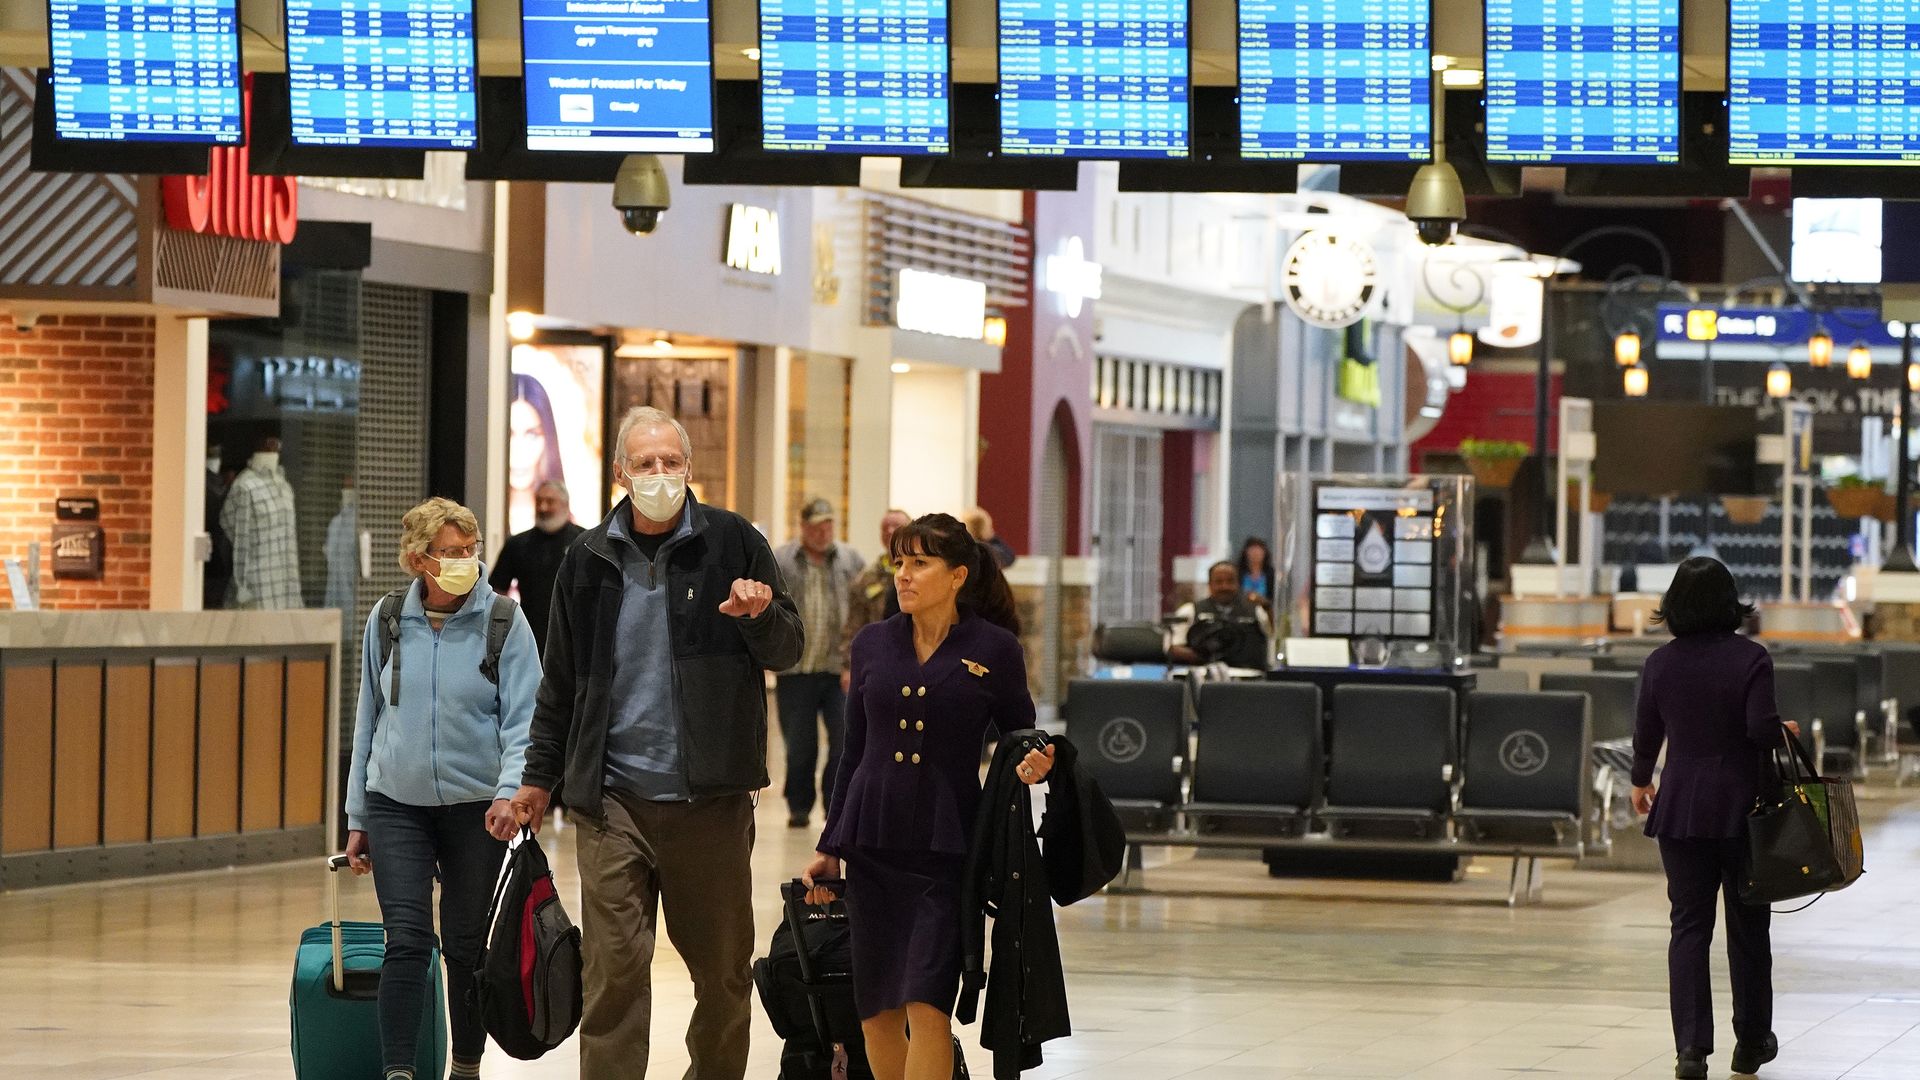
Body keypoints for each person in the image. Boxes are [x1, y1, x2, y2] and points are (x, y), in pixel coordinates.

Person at [510, 406, 803, 1080]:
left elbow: (790, 649)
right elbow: (559, 685)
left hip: (712, 803)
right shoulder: (585, 560)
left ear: (689, 468)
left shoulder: (732, 541)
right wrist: (536, 777)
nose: (660, 475)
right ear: (621, 473)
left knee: (725, 978)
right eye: (646, 464)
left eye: (672, 462)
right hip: (613, 804)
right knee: (611, 975)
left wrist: (760, 617)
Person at [800, 513, 1055, 1080]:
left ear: (958, 575)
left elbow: (1021, 735)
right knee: (876, 1014)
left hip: (946, 851)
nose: (903, 576)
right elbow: (853, 751)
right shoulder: (871, 644)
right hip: (872, 844)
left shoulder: (995, 647)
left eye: (920, 563)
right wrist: (830, 844)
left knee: (928, 1005)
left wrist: (1041, 761)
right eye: (899, 563)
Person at [343, 497, 539, 1080]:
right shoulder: (386, 620)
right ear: (417, 560)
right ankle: (399, 1070)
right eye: (449, 553)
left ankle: (466, 1067)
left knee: (465, 943)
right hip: (395, 805)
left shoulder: (503, 620)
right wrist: (358, 816)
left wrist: (509, 792)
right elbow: (367, 719)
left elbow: (524, 719)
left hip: (477, 809)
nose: (464, 563)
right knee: (405, 939)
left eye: (470, 551)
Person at [1630, 556, 1796, 1080]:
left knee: (1689, 927)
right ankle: (1750, 1043)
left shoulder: (1660, 663)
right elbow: (1759, 729)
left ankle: (1690, 1051)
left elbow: (1646, 732)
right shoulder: (1752, 658)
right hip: (1747, 810)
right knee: (1749, 927)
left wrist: (1641, 781)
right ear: (1731, 604)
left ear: (1674, 605)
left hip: (1679, 808)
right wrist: (1785, 728)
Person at [772, 497, 865, 829]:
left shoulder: (851, 560)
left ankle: (834, 808)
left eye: (828, 525)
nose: (823, 532)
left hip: (838, 669)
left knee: (843, 744)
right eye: (816, 525)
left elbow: (862, 612)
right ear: (803, 527)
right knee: (800, 746)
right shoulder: (782, 560)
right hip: (795, 669)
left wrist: (855, 663)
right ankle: (799, 806)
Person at [487, 479, 586, 656]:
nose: (543, 508)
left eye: (550, 501)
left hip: (574, 637)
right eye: (539, 501)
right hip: (528, 636)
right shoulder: (517, 544)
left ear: (565, 504)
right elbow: (497, 590)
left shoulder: (584, 542)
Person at [221, 432, 304, 609]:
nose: (273, 446)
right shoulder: (245, 486)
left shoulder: (284, 486)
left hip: (287, 587)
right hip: (258, 590)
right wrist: (242, 585)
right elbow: (239, 541)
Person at [839, 507, 913, 691]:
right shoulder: (866, 578)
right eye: (885, 528)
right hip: (880, 664)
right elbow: (854, 625)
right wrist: (849, 667)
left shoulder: (924, 572)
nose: (889, 531)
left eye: (896, 526)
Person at [1166, 560, 1273, 669]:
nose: (1224, 587)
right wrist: (1205, 657)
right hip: (1203, 678)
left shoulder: (1257, 611)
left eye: (1230, 581)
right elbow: (1171, 647)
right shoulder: (1190, 611)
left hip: (1251, 679)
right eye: (1218, 582)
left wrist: (1268, 609)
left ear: (1238, 583)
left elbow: (1273, 638)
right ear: (1210, 584)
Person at [507, 374, 568, 537]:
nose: (519, 449)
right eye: (510, 435)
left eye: (532, 434)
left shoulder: (579, 541)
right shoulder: (517, 545)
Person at [1236, 536, 1275, 610]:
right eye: (1252, 550)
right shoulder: (1238, 573)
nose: (1255, 554)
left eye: (1258, 550)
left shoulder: (1271, 575)